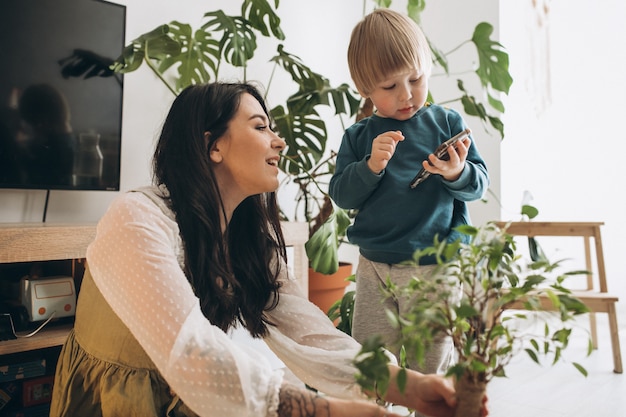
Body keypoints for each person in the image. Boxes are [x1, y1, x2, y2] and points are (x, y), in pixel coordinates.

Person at [49, 82, 480, 417]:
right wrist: (324, 409)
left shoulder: (249, 240)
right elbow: (192, 354)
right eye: (260, 127)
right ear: (212, 145)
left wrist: (412, 386)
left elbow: (313, 334)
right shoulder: (136, 218)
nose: (279, 142)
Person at [328, 8, 490, 396]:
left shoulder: (446, 123)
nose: (406, 94)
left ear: (427, 69)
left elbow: (478, 184)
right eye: (389, 87)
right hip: (374, 265)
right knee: (372, 359)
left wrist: (455, 172)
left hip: (433, 264)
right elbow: (341, 193)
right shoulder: (358, 136)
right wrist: (369, 167)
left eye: (415, 79)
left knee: (431, 363)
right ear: (364, 88)